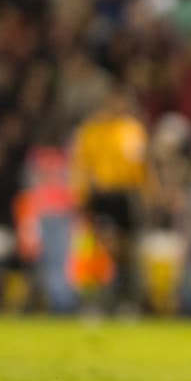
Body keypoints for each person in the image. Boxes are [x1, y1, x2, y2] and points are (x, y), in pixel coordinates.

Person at [68, 85, 149, 313]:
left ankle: (127, 301)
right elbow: (80, 166)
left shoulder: (132, 130)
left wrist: (146, 198)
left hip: (125, 195)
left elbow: (142, 168)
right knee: (98, 249)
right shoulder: (91, 131)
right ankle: (96, 302)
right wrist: (81, 195)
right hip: (100, 196)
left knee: (126, 251)